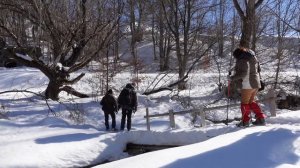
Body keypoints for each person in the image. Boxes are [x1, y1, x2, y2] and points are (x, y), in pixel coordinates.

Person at [229, 47, 266, 127]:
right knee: (251, 102)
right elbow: (259, 70)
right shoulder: (253, 57)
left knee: (244, 103)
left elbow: (243, 74)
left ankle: (245, 121)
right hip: (256, 83)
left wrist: (232, 78)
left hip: (248, 84)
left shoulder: (243, 59)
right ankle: (261, 119)